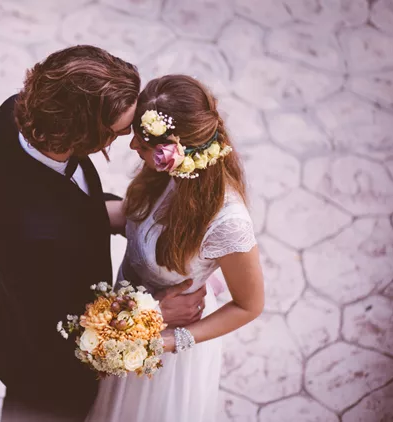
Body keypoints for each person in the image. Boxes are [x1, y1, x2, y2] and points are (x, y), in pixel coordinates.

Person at [0, 47, 208, 421]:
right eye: (120, 132)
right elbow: (71, 331)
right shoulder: (40, 238)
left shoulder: (17, 113)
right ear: (80, 135)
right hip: (49, 373)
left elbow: (64, 204)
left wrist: (128, 212)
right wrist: (156, 313)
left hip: (17, 307)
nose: (133, 139)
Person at [87, 75, 265, 422]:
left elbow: (250, 305)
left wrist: (169, 340)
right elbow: (131, 215)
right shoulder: (162, 174)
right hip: (126, 325)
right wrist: (58, 213)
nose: (131, 145)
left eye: (143, 140)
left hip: (165, 350)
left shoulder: (228, 222)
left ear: (177, 149)